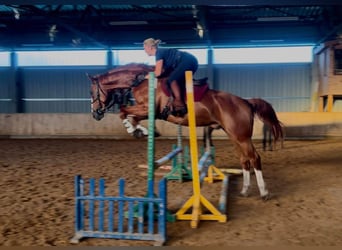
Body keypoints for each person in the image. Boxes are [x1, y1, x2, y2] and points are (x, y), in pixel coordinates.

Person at [143, 38, 198, 116]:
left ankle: (179, 103)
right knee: (171, 80)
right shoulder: (160, 53)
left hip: (187, 60)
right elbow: (162, 71)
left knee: (172, 80)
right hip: (189, 61)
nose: (144, 50)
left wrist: (145, 77)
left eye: (144, 48)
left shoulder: (159, 53)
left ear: (150, 47)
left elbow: (158, 72)